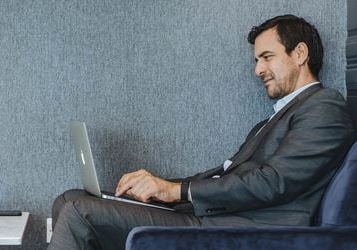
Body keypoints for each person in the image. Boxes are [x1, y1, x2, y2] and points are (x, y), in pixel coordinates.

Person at [48, 14, 355, 250]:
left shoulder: (324, 108)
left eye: (267, 57)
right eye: (257, 60)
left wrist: (175, 191)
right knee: (70, 198)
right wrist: (163, 189)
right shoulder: (278, 117)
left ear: (300, 53)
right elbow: (230, 176)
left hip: (250, 229)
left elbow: (273, 182)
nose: (258, 70)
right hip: (217, 215)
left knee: (78, 211)